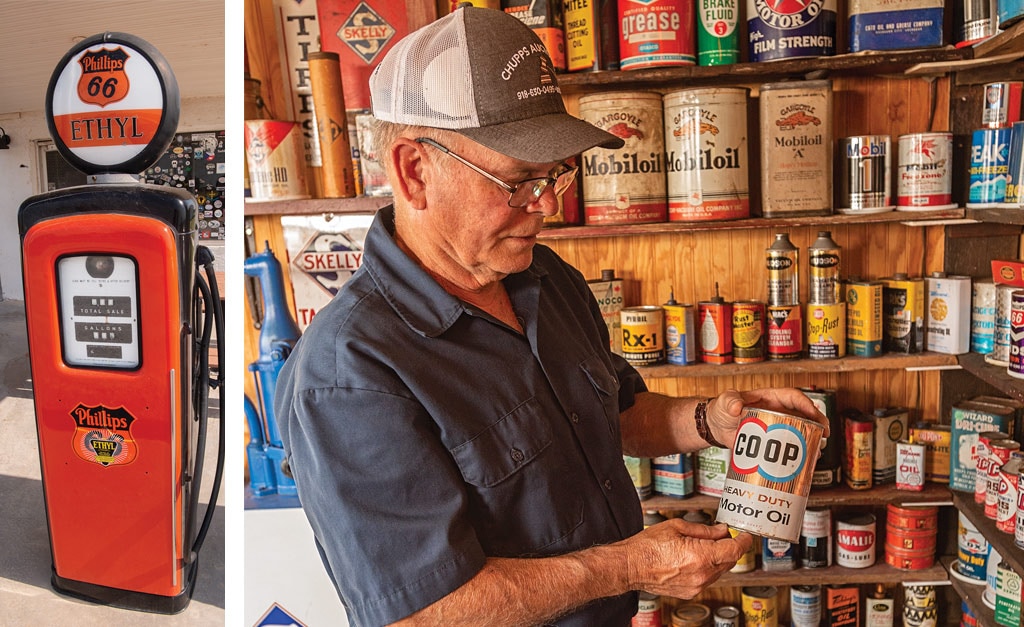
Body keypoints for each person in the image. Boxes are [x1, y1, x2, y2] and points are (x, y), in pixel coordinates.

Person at [275, 6, 829, 626]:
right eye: (517, 180)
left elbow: (606, 413)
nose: (547, 206)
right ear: (414, 171)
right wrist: (629, 566)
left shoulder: (546, 278)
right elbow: (420, 613)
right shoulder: (346, 374)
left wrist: (708, 420)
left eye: (555, 175)